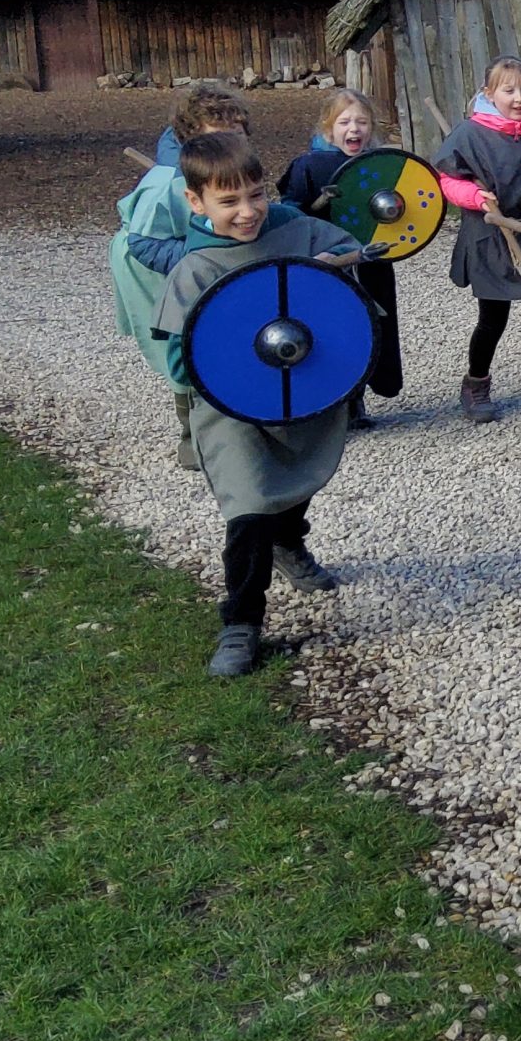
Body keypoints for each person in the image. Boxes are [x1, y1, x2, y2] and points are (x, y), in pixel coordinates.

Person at [152, 131, 361, 678]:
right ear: (196, 201)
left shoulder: (293, 228)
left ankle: (288, 542)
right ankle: (241, 622)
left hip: (301, 388)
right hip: (231, 410)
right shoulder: (195, 269)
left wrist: (329, 265)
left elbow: (347, 246)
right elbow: (183, 362)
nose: (247, 212)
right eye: (229, 201)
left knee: (300, 476)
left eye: (256, 194)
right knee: (248, 508)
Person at [110, 82, 253, 471]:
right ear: (191, 141)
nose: (228, 145)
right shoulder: (169, 184)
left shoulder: (224, 174)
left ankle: (231, 422)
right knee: (183, 338)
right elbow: (143, 242)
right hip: (150, 266)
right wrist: (201, 258)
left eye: (236, 135)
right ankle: (193, 441)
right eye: (217, 138)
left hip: (185, 256)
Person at [434, 55, 521, 422]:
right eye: (508, 90)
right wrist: (474, 197)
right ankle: (476, 383)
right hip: (490, 235)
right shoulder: (469, 135)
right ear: (489, 93)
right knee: (492, 320)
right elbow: (447, 180)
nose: (519, 98)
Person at [276, 86, 404, 430]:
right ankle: (336, 403)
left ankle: (357, 397)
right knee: (332, 328)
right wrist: (318, 205)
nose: (354, 129)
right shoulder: (308, 166)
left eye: (361, 122)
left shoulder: (379, 166)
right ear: (328, 128)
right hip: (327, 263)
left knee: (368, 326)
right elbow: (290, 213)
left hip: (372, 262)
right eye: (345, 122)